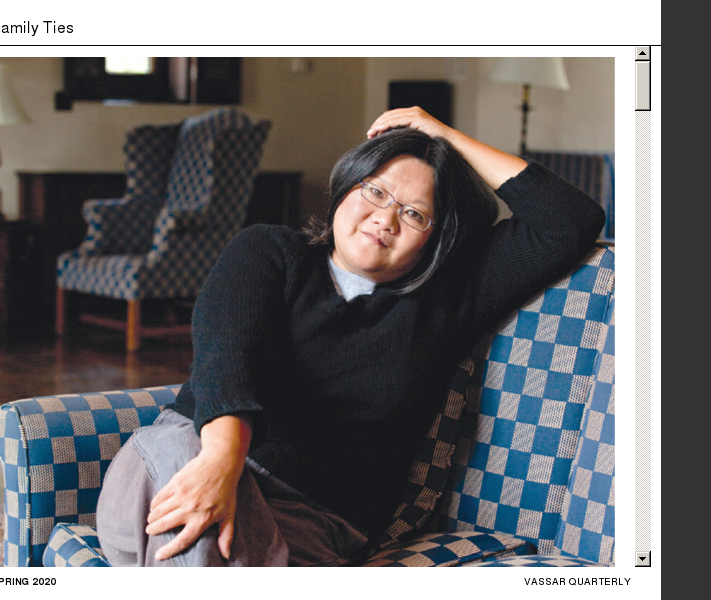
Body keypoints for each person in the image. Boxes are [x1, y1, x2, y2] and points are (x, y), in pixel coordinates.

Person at [96, 107, 606, 567]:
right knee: (181, 466)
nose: (385, 218)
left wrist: (445, 136)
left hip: (309, 520)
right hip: (185, 461)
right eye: (375, 191)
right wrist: (219, 464)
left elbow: (569, 220)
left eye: (414, 213)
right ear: (346, 187)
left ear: (435, 236)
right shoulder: (268, 251)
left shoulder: (449, 300)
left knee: (200, 539)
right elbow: (224, 359)